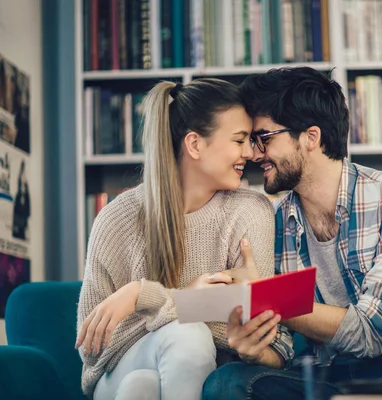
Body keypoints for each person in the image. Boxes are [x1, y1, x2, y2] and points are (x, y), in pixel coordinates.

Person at [202, 67, 382, 399]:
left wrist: (267, 297)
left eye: (263, 138)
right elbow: (284, 349)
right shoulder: (274, 221)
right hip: (321, 376)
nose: (253, 154)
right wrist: (256, 349)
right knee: (227, 381)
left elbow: (373, 332)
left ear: (311, 137)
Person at [75, 78, 292, 400]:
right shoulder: (118, 218)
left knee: (144, 386)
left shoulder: (250, 211)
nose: (250, 152)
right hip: (116, 373)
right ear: (194, 144)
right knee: (187, 336)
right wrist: (197, 305)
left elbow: (257, 328)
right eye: (239, 140)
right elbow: (92, 349)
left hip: (183, 379)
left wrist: (144, 297)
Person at [12, 160, 30, 240]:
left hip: (21, 225)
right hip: (19, 223)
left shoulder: (26, 199)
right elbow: (19, 182)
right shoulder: (20, 196)